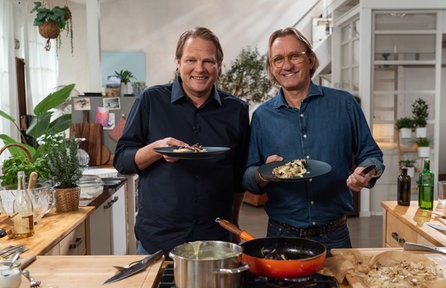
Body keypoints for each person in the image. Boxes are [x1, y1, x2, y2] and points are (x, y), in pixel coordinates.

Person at [242, 27, 384, 255]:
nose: (286, 65)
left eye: (294, 56)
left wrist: (366, 172)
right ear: (271, 68)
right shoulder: (262, 116)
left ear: (310, 59)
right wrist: (263, 173)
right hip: (281, 236)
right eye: (278, 59)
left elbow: (372, 155)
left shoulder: (345, 104)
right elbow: (248, 178)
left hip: (335, 236)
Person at [114, 27, 249, 257]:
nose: (200, 68)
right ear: (178, 63)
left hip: (214, 240)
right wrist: (158, 149)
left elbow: (238, 177)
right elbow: (122, 160)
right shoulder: (151, 100)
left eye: (208, 61)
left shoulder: (236, 109)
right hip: (158, 241)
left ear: (219, 65)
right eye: (191, 60)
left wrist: (233, 226)